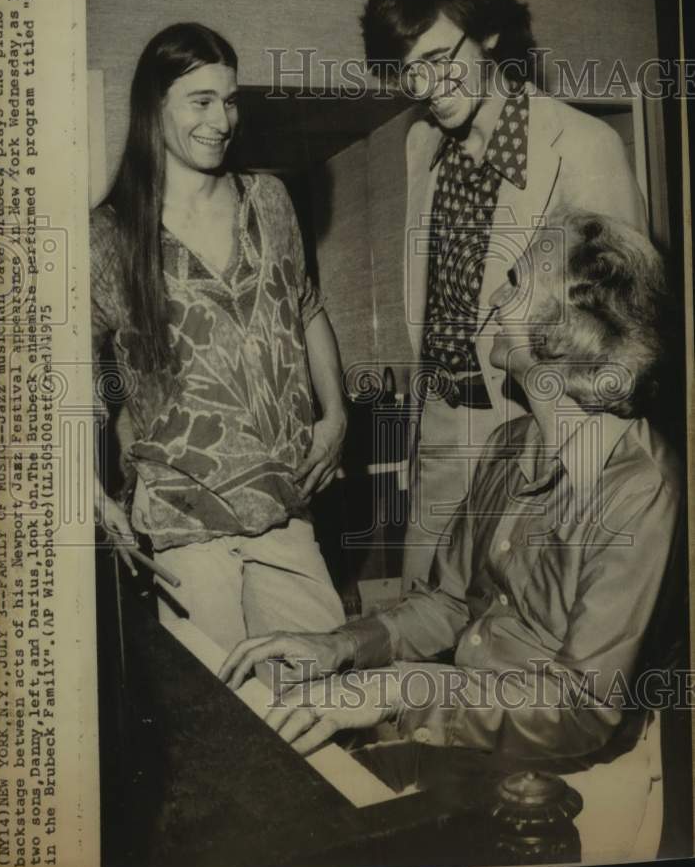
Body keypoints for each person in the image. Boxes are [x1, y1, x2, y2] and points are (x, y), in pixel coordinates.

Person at [220, 211, 680, 761]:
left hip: (570, 771)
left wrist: (401, 690)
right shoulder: (509, 444)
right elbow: (449, 604)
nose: (494, 299)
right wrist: (338, 646)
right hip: (473, 738)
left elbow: (581, 711)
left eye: (515, 283)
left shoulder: (642, 492)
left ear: (569, 329)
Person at [359, 0, 650, 590]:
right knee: (420, 615)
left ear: (488, 32)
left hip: (535, 441)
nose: (424, 88)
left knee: (509, 631)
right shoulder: (420, 145)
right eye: (407, 70)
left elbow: (625, 344)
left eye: (437, 60)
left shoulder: (583, 147)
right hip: (439, 434)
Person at [91, 22, 346, 652]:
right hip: (183, 524)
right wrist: (91, 496)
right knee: (220, 706)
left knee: (320, 686)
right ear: (154, 107)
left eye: (229, 101)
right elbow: (59, 374)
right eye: (200, 101)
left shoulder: (270, 199)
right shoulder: (111, 235)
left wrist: (336, 415)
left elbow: (306, 307)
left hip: (285, 507)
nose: (221, 121)